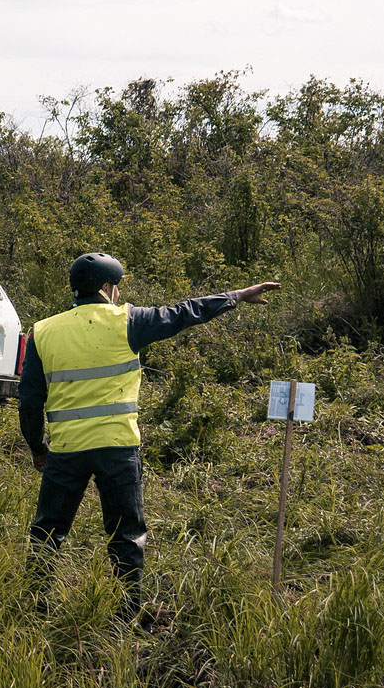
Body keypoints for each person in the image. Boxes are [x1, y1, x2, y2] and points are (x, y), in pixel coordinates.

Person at [18, 252, 279, 619]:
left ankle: (33, 605)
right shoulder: (129, 320)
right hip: (118, 448)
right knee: (125, 535)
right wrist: (236, 295)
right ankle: (128, 613)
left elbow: (29, 401)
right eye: (118, 286)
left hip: (66, 450)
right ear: (107, 289)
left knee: (47, 530)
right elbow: (185, 312)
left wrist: (37, 447)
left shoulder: (42, 331)